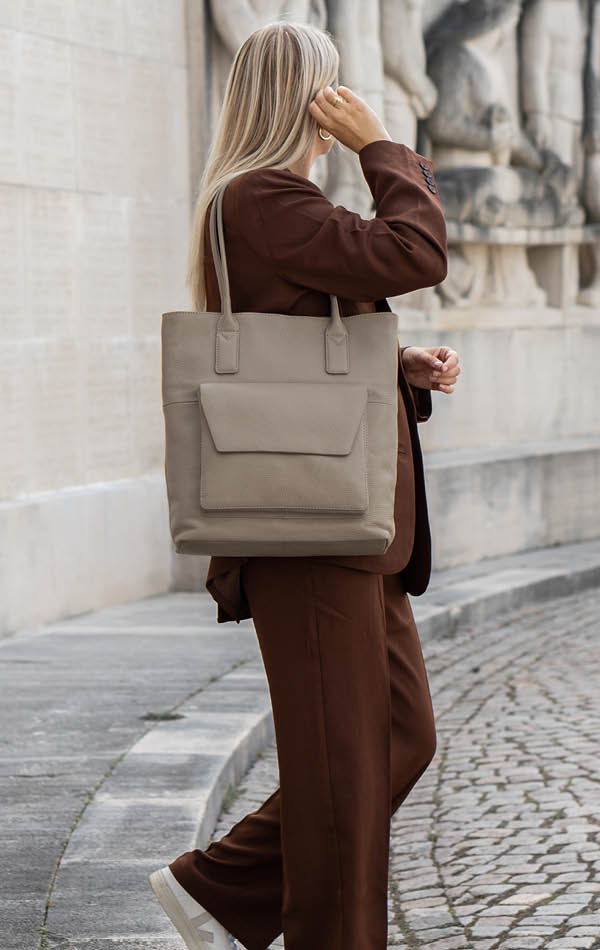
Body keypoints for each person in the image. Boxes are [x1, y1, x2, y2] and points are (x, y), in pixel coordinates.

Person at [149, 20, 460, 950]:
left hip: (349, 522)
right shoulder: (263, 196)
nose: (339, 114)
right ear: (307, 101)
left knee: (397, 738)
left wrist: (394, 365)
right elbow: (415, 253)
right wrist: (381, 147)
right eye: (331, 93)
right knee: (340, 778)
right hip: (310, 526)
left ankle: (217, 888)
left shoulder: (271, 205)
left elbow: (297, 336)